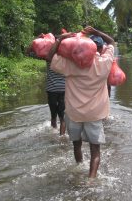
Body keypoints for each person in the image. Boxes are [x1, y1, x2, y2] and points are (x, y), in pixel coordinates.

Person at [47, 26, 115, 178]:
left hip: (74, 113)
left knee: (76, 145)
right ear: (98, 49)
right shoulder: (104, 63)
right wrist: (96, 32)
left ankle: (79, 167)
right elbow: (112, 42)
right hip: (95, 114)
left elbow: (49, 57)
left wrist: (59, 40)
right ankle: (91, 179)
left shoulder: (71, 65)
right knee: (95, 150)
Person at [26, 36, 66, 136]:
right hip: (64, 90)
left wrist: (36, 39)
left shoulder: (48, 57)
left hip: (52, 90)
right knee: (63, 117)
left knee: (53, 116)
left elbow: (28, 52)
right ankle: (62, 138)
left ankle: (53, 134)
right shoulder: (67, 58)